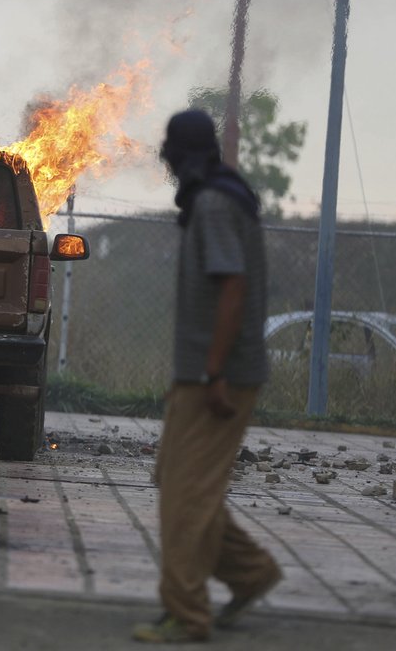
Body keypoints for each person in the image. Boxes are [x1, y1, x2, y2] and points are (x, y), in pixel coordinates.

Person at [132, 110, 282, 643]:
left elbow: (233, 288)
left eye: (171, 153)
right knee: (175, 481)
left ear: (181, 155)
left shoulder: (215, 203)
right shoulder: (216, 195)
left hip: (217, 376)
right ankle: (251, 573)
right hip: (200, 371)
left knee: (186, 498)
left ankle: (186, 613)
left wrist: (215, 372)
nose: (169, 164)